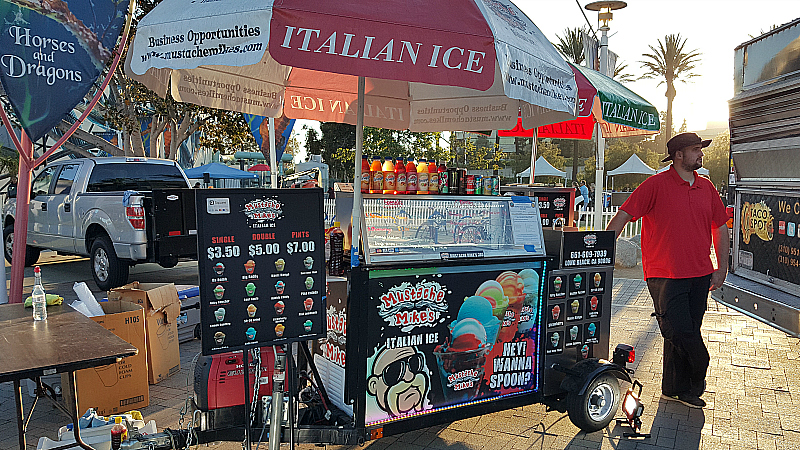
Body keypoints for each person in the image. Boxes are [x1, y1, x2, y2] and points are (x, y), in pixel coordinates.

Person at [605, 132, 729, 409]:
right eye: (696, 149)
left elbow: (719, 226)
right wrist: (599, 250)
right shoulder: (655, 185)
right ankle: (698, 375)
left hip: (700, 273)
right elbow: (623, 215)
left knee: (688, 330)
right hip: (664, 274)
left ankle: (675, 389)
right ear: (679, 155)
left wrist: (722, 267)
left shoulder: (706, 187)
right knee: (680, 331)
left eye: (700, 149)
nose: (701, 154)